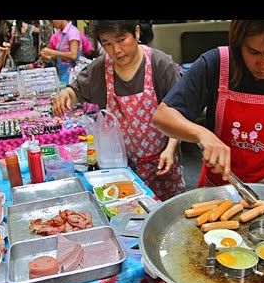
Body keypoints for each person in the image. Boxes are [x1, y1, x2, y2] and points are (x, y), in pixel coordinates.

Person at [152, 20, 264, 188]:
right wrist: (202, 134)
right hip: (216, 187)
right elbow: (163, 115)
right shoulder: (215, 64)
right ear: (239, 41)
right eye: (254, 52)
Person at [52, 20, 185, 201]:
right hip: (122, 167)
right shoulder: (100, 68)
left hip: (162, 163)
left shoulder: (159, 64)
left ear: (136, 32)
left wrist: (170, 149)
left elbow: (179, 114)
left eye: (122, 40)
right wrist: (66, 94)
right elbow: (76, 90)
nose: (116, 50)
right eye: (107, 43)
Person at [40, 20, 82, 84]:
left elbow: (74, 55)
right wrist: (48, 57)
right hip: (63, 74)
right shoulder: (61, 33)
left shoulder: (72, 31)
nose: (52, 24)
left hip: (72, 75)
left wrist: (52, 52)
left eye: (52, 21)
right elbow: (61, 57)